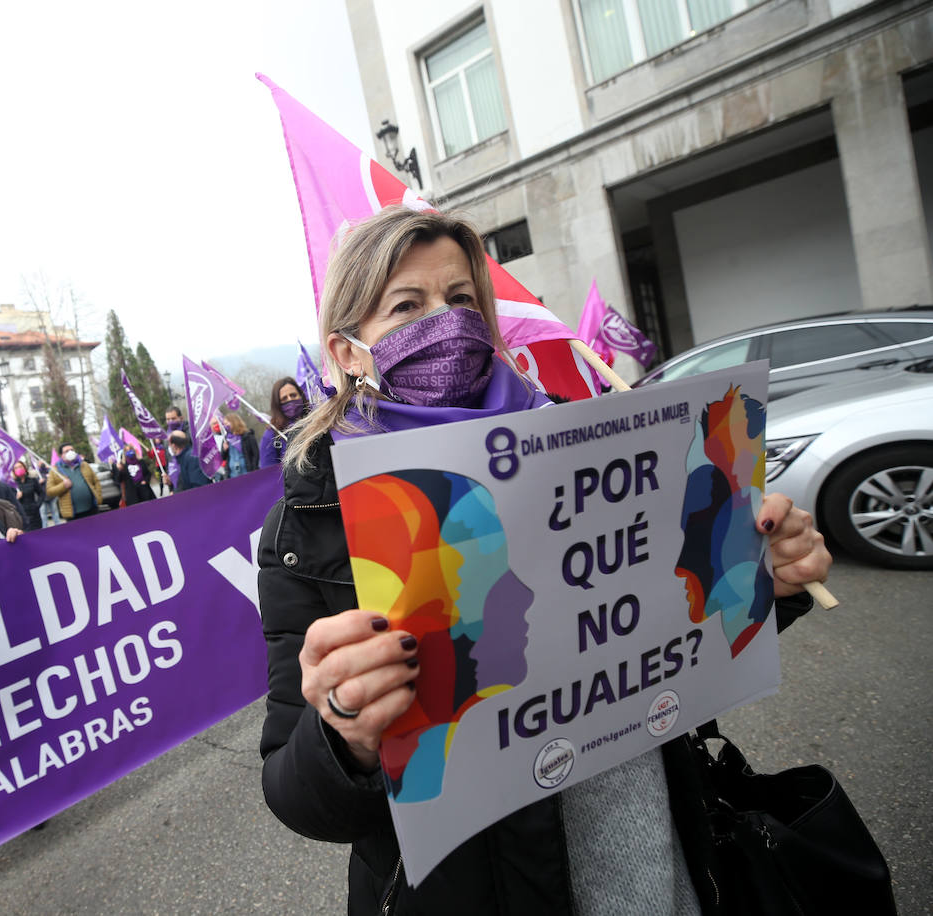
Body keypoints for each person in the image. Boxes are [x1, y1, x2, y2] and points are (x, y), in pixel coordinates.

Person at [255, 206, 833, 914]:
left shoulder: (592, 439)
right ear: (346, 352)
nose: (446, 321)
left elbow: (668, 622)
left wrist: (760, 577)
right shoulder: (311, 520)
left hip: (659, 859)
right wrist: (344, 735)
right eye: (407, 306)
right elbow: (294, 789)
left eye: (462, 299)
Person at [45, 443, 101, 521]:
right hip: (73, 515)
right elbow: (49, 491)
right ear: (61, 455)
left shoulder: (84, 465)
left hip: (92, 509)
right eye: (67, 451)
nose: (70, 452)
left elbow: (96, 481)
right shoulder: (55, 471)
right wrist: (63, 486)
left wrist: (98, 496)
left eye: (72, 450)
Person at [260, 378, 307, 469]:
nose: (290, 400)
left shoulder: (317, 421)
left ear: (301, 395)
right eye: (284, 398)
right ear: (277, 404)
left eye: (293, 395)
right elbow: (268, 473)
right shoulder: (271, 435)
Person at [220, 411, 258, 477]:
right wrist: (224, 449)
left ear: (234, 422)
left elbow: (256, 454)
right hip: (232, 474)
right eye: (224, 424)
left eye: (227, 423)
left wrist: (254, 470)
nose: (226, 426)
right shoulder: (226, 438)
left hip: (247, 471)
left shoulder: (248, 436)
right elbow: (222, 458)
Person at [11, 462, 46, 531]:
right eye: (16, 468)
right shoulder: (13, 485)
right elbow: (10, 502)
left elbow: (41, 493)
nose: (19, 469)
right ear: (13, 471)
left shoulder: (32, 480)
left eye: (20, 466)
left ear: (24, 468)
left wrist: (37, 505)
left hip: (34, 514)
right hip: (22, 516)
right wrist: (17, 498)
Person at [35, 461, 62, 527]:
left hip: (52, 497)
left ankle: (59, 526)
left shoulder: (50, 472)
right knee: (43, 515)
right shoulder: (37, 474)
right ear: (38, 465)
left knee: (55, 512)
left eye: (43, 463)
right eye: (40, 463)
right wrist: (38, 483)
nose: (42, 464)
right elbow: (34, 487)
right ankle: (45, 528)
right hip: (42, 498)